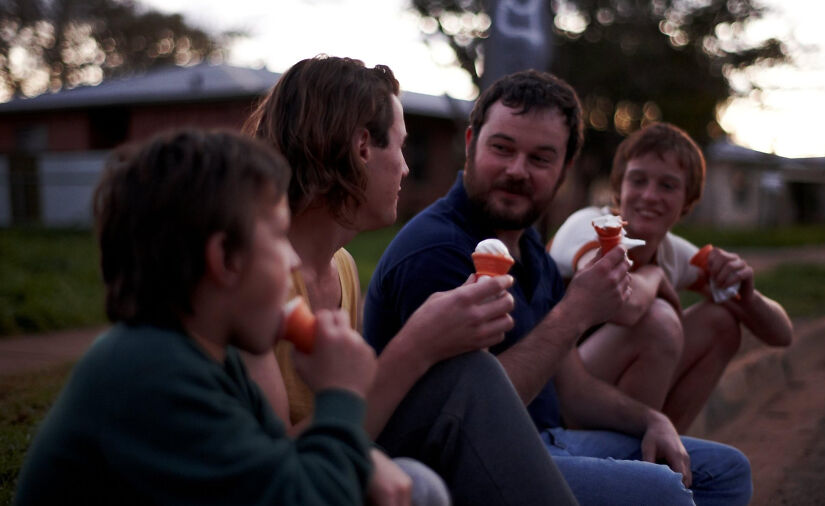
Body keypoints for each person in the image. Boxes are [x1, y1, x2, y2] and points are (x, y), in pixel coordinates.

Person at [365, 70, 754, 505]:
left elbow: (573, 390)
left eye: (541, 158)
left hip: (547, 439)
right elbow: (464, 417)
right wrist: (576, 312)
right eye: (502, 148)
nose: (517, 170)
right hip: (464, 467)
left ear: (566, 167)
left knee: (726, 472)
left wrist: (651, 420)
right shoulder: (437, 251)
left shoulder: (529, 247)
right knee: (662, 491)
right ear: (471, 143)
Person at [242, 55, 578, 506]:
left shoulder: (340, 266)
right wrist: (419, 344)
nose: (404, 168)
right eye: (400, 147)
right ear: (362, 148)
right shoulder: (252, 284)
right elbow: (277, 473)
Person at [15, 129, 378, 505]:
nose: (293, 261)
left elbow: (277, 463)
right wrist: (342, 394)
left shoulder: (217, 360)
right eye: (279, 236)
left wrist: (363, 460)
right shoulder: (149, 372)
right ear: (224, 257)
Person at [548, 122, 793, 432]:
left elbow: (782, 335)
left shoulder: (674, 252)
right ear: (619, 189)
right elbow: (621, 305)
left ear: (687, 203)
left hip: (599, 378)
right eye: (638, 180)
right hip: (555, 389)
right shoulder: (591, 225)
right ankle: (632, 464)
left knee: (722, 321)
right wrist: (653, 275)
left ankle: (667, 455)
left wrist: (748, 295)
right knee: (659, 321)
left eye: (667, 186)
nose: (650, 195)